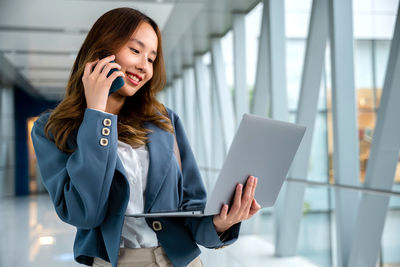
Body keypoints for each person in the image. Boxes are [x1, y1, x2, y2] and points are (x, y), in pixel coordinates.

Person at [31, 7, 261, 267]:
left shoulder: (164, 120)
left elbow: (191, 203)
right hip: (116, 260)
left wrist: (220, 223)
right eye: (135, 50)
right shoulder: (51, 129)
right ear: (101, 50)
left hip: (180, 260)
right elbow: (85, 213)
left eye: (151, 58)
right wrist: (97, 115)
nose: (144, 67)